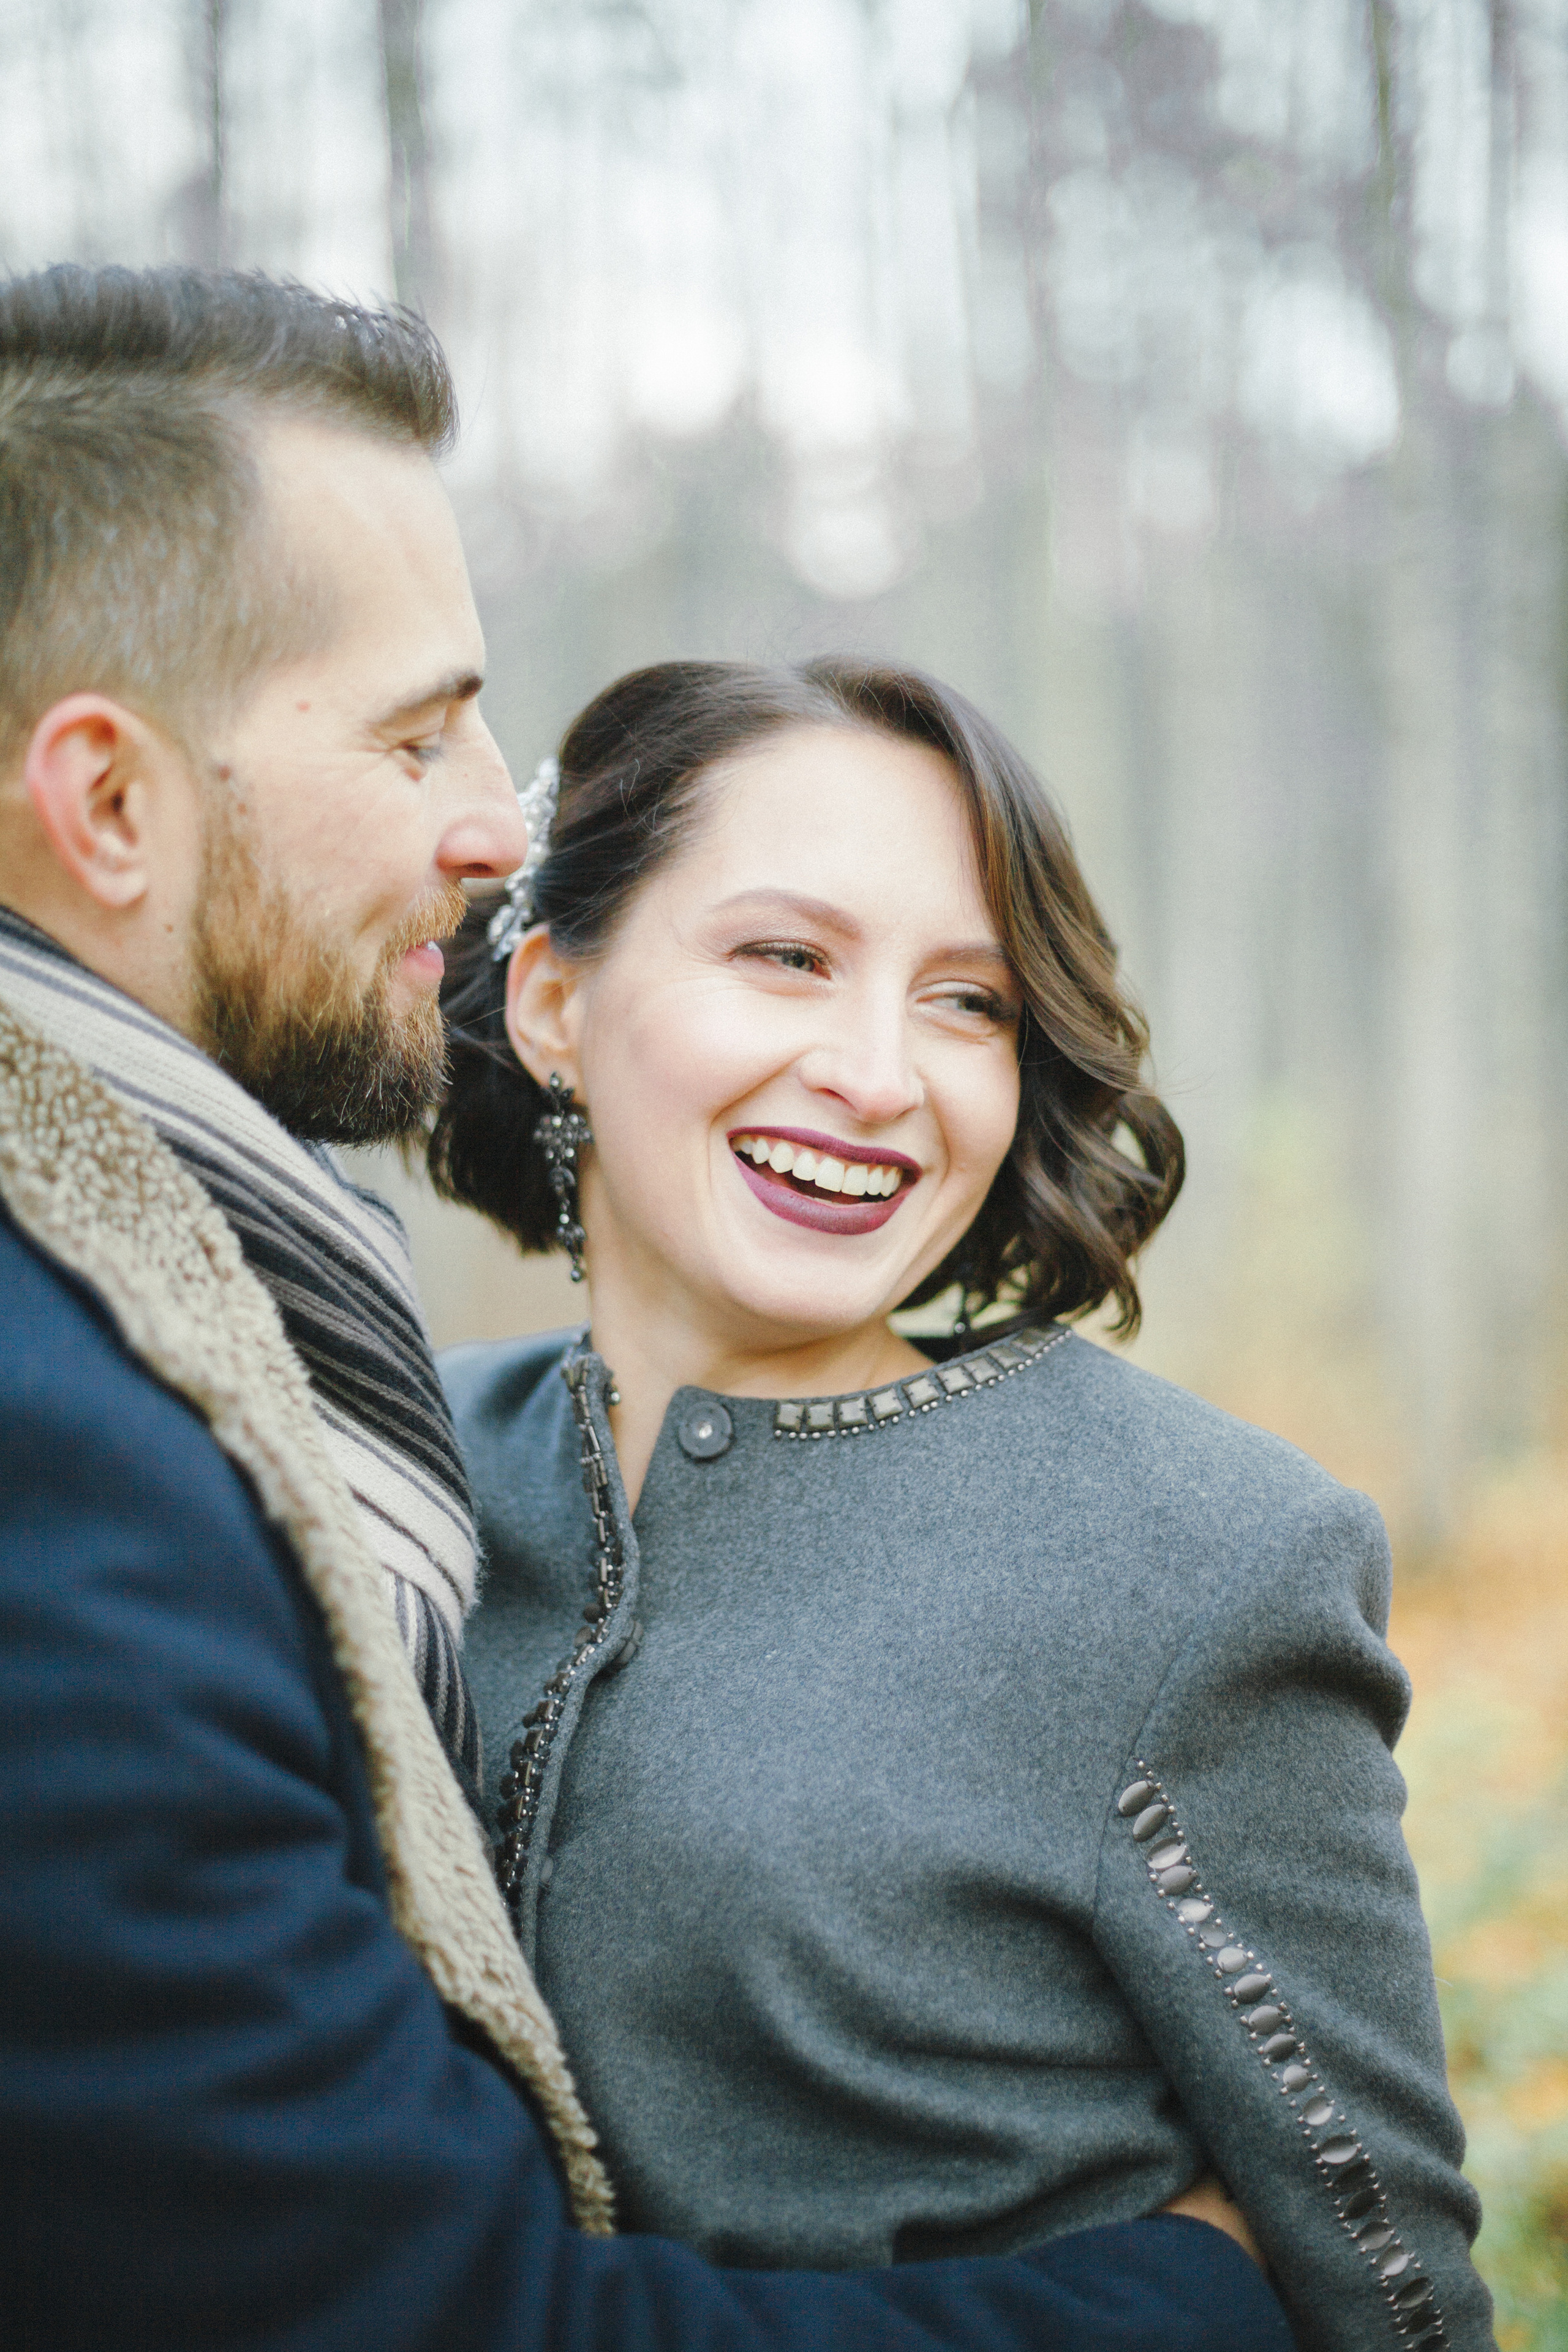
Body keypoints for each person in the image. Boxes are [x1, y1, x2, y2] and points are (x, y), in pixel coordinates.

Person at [0, 262, 1295, 2352]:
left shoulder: (1205, 1549)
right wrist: (1191, 2305)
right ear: (113, 801)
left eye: (962, 997)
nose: (492, 819)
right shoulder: (79, 1454)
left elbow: (1384, 2228)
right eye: (422, 726)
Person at [431, 657, 1498, 2352]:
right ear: (553, 1000)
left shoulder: (1198, 1554)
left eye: (968, 1002)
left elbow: (1382, 2283)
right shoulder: (382, 1465)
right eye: (786, 956)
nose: (877, 1074)